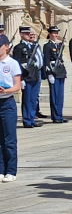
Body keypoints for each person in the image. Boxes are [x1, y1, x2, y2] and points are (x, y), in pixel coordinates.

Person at [0, 35, 21, 182]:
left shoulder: (12, 63)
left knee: (9, 139)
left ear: (6, 46)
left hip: (7, 102)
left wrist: (5, 91)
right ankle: (0, 169)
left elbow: (17, 86)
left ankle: (11, 170)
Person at [13, 26, 42, 128]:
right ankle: (27, 120)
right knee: (27, 99)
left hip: (34, 75)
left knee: (33, 99)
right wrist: (20, 78)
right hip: (26, 76)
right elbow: (16, 64)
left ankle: (32, 118)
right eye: (26, 34)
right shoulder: (18, 47)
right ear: (21, 34)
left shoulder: (32, 46)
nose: (28, 35)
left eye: (29, 33)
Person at [43, 26, 68, 123]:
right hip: (53, 72)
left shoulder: (58, 45)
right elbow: (46, 61)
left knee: (60, 96)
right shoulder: (47, 46)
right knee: (55, 95)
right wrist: (49, 74)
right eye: (53, 33)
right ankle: (56, 116)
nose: (56, 35)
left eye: (57, 33)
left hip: (60, 72)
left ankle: (60, 115)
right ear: (49, 34)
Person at [29, 30, 47, 119]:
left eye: (33, 34)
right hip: (32, 72)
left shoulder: (37, 45)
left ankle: (36, 110)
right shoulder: (28, 46)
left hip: (39, 71)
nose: (32, 36)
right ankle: (31, 113)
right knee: (31, 94)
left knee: (36, 93)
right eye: (30, 35)